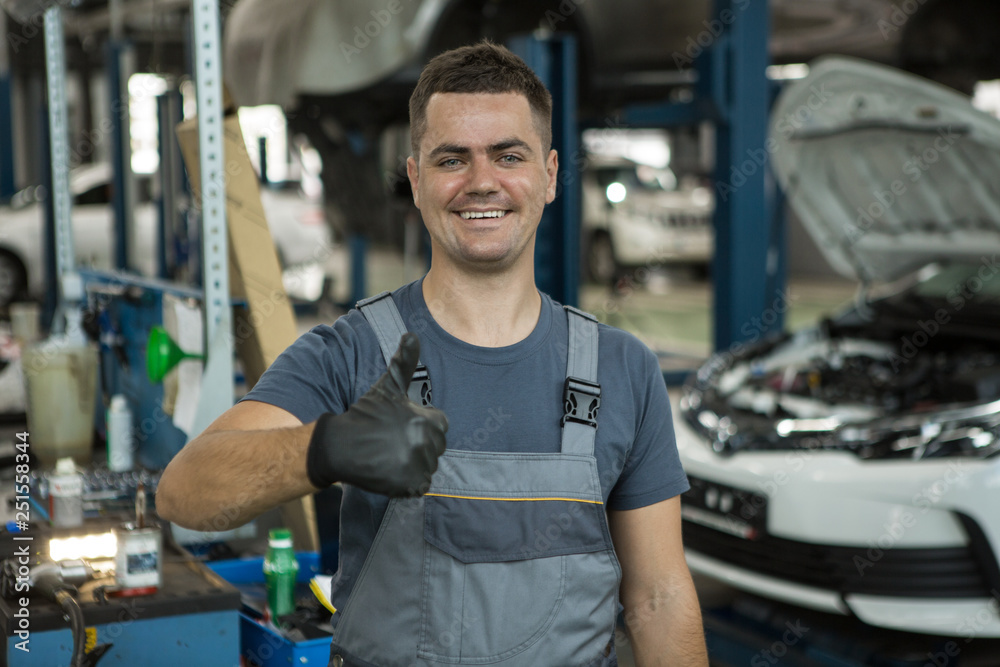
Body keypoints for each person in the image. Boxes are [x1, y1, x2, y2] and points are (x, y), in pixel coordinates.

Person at [156, 40, 708, 667]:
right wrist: (325, 448)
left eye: (508, 155)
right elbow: (186, 492)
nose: (481, 182)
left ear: (550, 176)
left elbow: (659, 596)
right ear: (416, 180)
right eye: (452, 159)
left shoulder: (622, 369)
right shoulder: (352, 352)